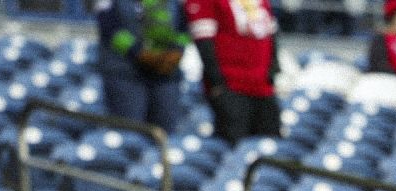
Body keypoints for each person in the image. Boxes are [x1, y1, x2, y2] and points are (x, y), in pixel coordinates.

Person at [185, 0, 281, 143]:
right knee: (236, 144)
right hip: (231, 86)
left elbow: (271, 34)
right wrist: (218, 84)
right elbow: (204, 42)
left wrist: (272, 71)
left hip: (262, 86)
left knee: (270, 141)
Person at [95, 0, 189, 132]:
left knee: (165, 134)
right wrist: (139, 53)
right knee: (130, 133)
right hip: (126, 74)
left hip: (166, 74)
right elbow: (109, 27)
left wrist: (176, 51)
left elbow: (185, 25)